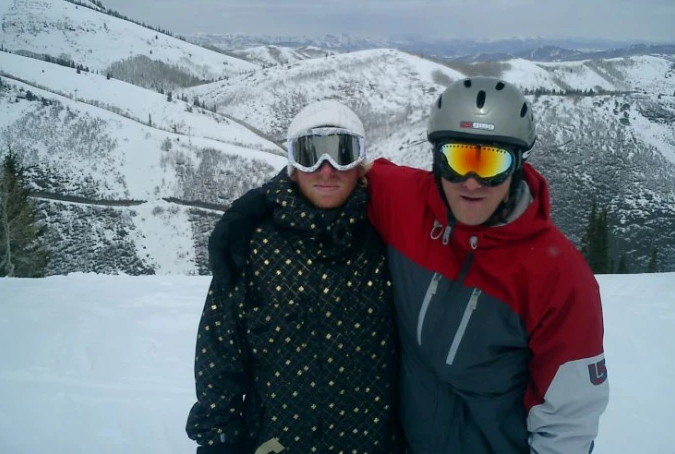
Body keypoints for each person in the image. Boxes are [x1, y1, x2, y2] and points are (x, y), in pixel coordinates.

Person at [210, 77, 609, 454]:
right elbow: (343, 174)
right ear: (436, 159)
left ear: (517, 165)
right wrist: (254, 208)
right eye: (456, 159)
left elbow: (569, 421)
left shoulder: (559, 277)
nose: (471, 182)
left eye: (491, 163)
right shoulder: (408, 207)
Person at [186, 100, 402, 454]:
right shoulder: (254, 244)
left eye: (343, 154)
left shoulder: (387, 236)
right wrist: (218, 438)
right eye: (310, 154)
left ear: (361, 166)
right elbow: (220, 349)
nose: (327, 170)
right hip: (279, 442)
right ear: (292, 167)